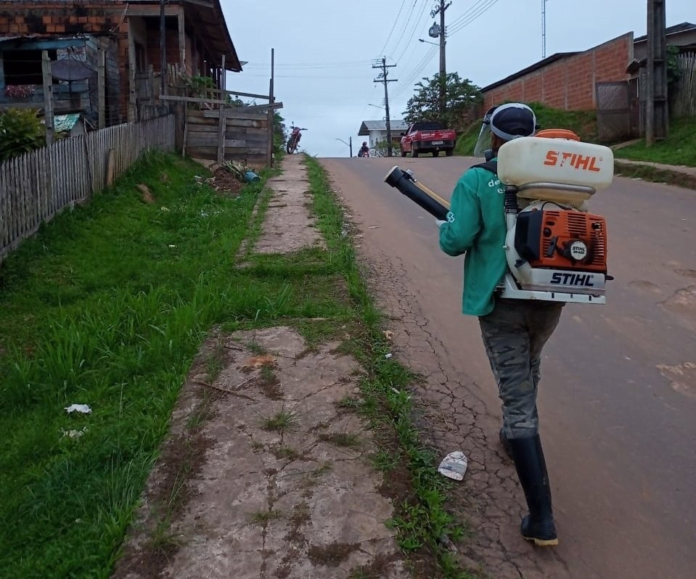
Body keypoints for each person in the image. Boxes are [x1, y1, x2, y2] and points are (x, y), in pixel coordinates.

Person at [436, 102, 562, 547]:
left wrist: (450, 227)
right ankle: (512, 437)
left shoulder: (476, 179)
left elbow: (454, 241)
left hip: (501, 299)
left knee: (516, 396)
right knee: (530, 363)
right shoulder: (556, 180)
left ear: (493, 138)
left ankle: (542, 518)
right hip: (550, 298)